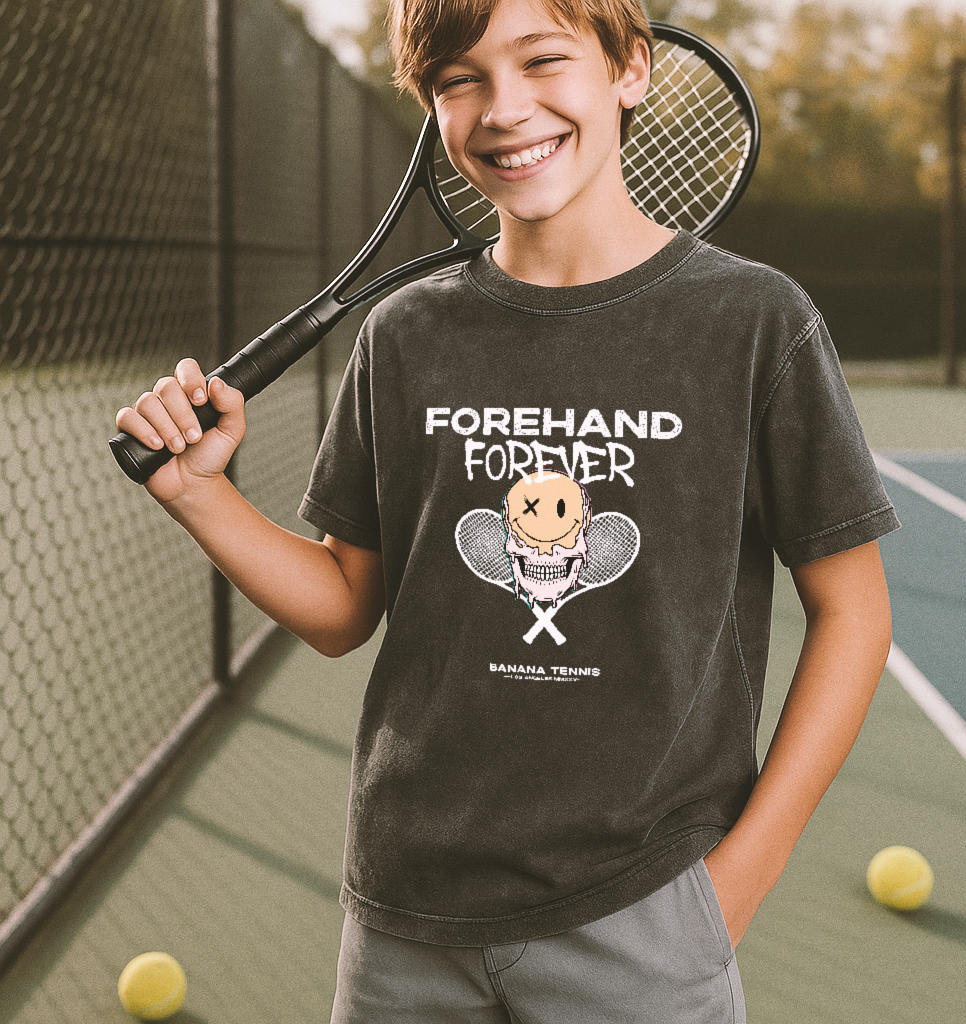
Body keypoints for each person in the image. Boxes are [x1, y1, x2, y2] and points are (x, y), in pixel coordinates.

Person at [115, 0, 900, 1020]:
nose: (504, 108)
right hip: (404, 914)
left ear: (628, 68)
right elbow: (346, 603)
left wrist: (738, 876)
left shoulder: (754, 322)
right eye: (458, 79)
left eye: (541, 61)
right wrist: (197, 495)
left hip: (645, 915)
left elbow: (855, 613)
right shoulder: (402, 336)